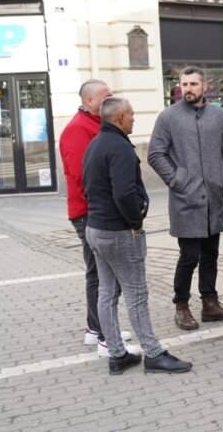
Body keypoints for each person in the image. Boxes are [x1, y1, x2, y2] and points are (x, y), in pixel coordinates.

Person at [83, 96, 193, 375]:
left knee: (107, 293)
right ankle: (154, 354)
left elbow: (88, 187)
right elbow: (123, 192)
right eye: (131, 115)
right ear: (119, 118)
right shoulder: (119, 147)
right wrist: (135, 223)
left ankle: (118, 354)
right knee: (136, 295)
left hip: (95, 228)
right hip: (118, 231)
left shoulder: (95, 144)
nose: (134, 119)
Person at [148, 66, 223, 331]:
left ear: (204, 86)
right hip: (185, 200)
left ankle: (210, 303)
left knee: (211, 254)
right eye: (184, 84)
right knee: (188, 256)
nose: (187, 89)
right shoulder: (168, 117)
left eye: (193, 84)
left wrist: (221, 175)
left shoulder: (218, 116)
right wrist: (178, 180)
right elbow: (155, 154)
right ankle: (181, 305)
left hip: (213, 198)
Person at [59, 79, 136, 357]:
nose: (111, 99)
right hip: (89, 213)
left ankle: (97, 329)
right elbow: (85, 177)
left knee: (98, 273)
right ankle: (104, 336)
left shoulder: (93, 124)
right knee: (101, 277)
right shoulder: (77, 130)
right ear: (90, 101)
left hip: (94, 211)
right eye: (106, 97)